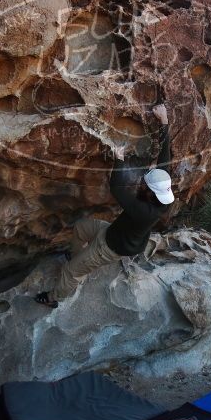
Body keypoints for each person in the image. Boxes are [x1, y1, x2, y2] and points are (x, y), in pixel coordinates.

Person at [35, 104, 173, 308]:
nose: (142, 181)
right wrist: (164, 120)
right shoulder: (161, 195)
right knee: (81, 227)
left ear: (151, 192)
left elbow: (117, 188)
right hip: (114, 233)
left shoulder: (143, 211)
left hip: (108, 247)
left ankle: (54, 298)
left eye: (145, 182)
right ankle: (75, 256)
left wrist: (118, 159)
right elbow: (165, 160)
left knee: (70, 272)